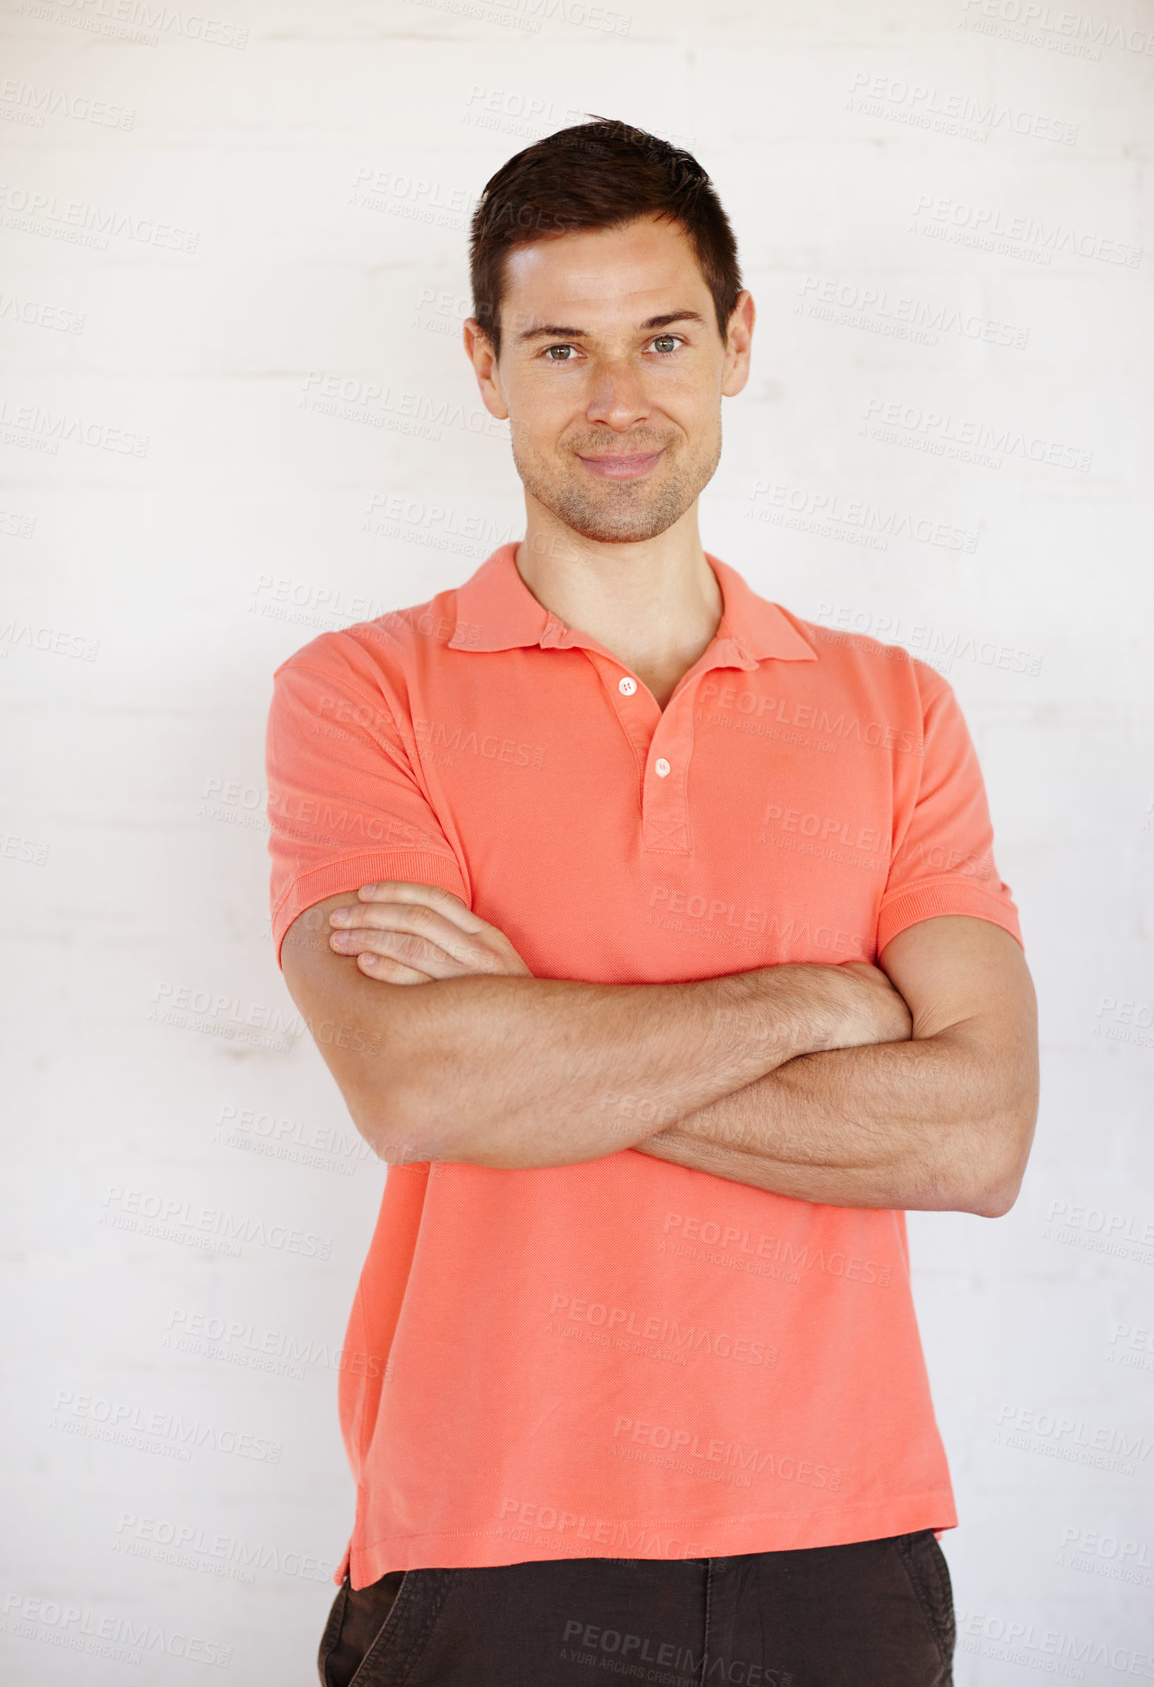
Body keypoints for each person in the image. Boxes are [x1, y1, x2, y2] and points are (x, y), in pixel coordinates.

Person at [264, 117, 1038, 1687]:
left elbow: (975, 1135)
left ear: (735, 344)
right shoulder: (361, 694)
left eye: (662, 338)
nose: (616, 402)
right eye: (559, 347)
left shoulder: (895, 708)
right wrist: (823, 1001)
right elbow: (414, 1082)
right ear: (484, 366)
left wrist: (536, 1044)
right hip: (484, 1541)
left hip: (846, 1545)